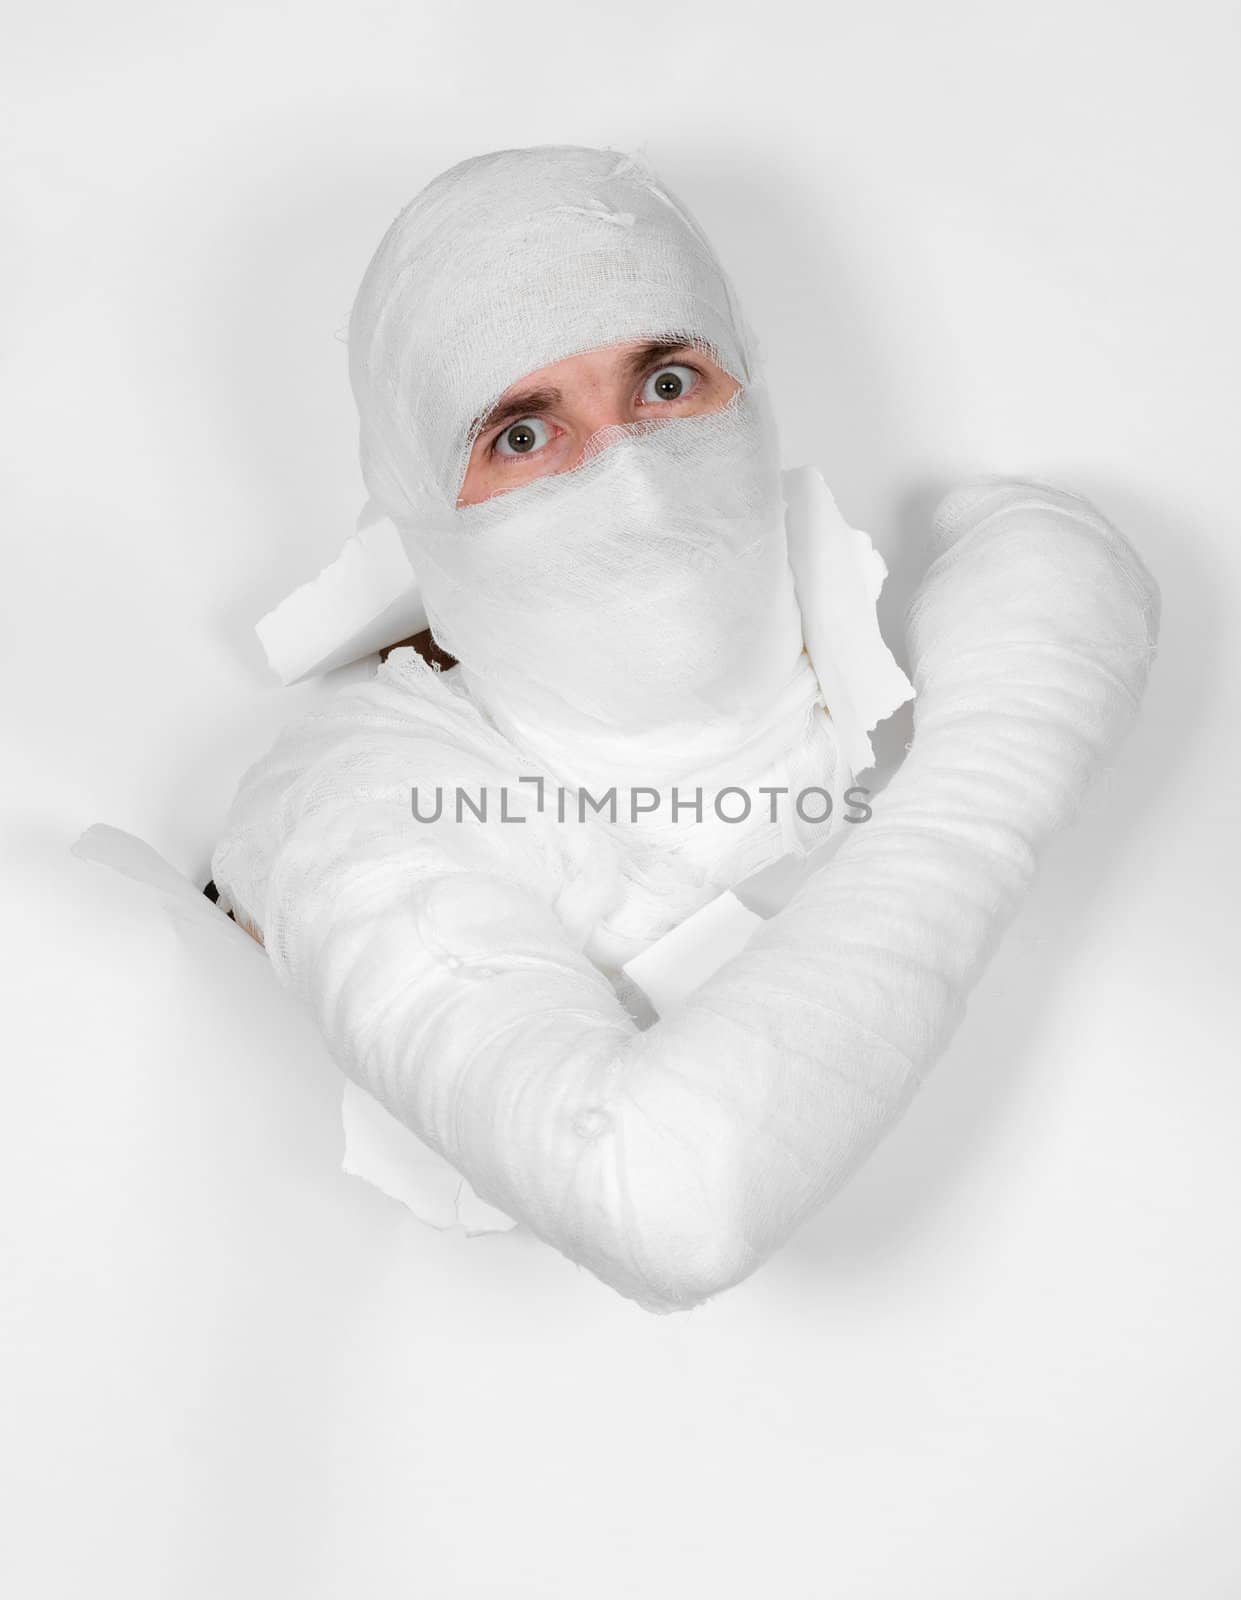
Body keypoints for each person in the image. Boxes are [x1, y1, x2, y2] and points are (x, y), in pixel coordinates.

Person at [210, 145, 1159, 1315]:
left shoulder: (900, 640)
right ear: (422, 503)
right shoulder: (359, 804)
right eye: (521, 432)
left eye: (665, 384)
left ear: (746, 390)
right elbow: (660, 1192)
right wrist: (1011, 744)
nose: (638, 487)